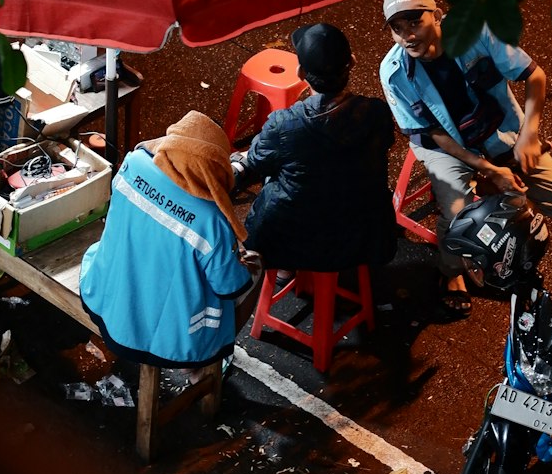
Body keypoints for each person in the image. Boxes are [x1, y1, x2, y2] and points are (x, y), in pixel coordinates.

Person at [378, 0, 552, 317]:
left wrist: (529, 133)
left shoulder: (478, 30)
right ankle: (450, 273)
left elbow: (535, 76)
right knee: (457, 215)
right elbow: (435, 134)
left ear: (437, 16)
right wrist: (487, 169)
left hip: (499, 131)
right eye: (398, 29)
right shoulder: (394, 72)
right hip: (445, 147)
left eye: (415, 22)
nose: (407, 35)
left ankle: (496, 215)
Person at [79, 111, 261, 394]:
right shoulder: (211, 221)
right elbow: (229, 286)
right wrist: (247, 265)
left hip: (105, 293)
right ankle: (199, 367)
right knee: (254, 272)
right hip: (169, 339)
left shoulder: (133, 163)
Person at [232, 23, 397, 274]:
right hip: (364, 237)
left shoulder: (284, 124)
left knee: (271, 170)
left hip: (293, 242)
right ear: (352, 62)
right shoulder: (376, 112)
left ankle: (285, 270)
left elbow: (256, 162)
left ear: (300, 73)